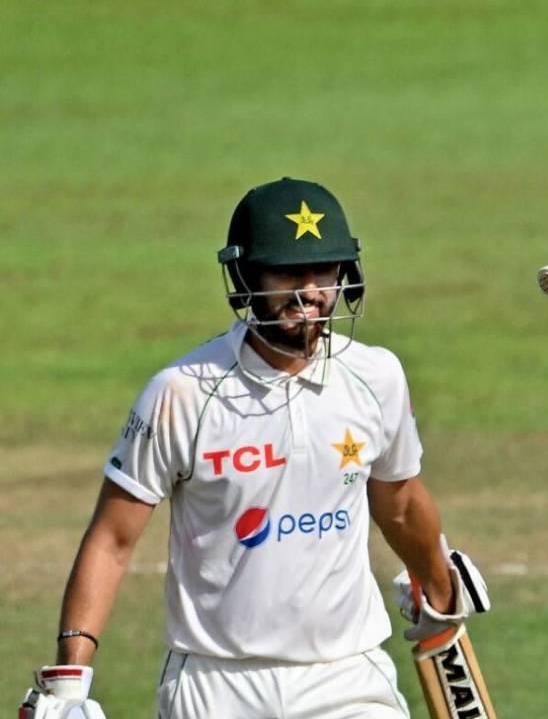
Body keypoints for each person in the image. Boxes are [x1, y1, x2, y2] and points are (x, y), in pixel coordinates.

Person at [21, 178, 487, 718]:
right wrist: (70, 679)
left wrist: (437, 586)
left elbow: (400, 502)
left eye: (324, 271)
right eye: (287, 272)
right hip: (214, 683)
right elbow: (112, 539)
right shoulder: (183, 392)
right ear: (245, 278)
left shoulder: (375, 376)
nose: (308, 290)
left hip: (347, 675)